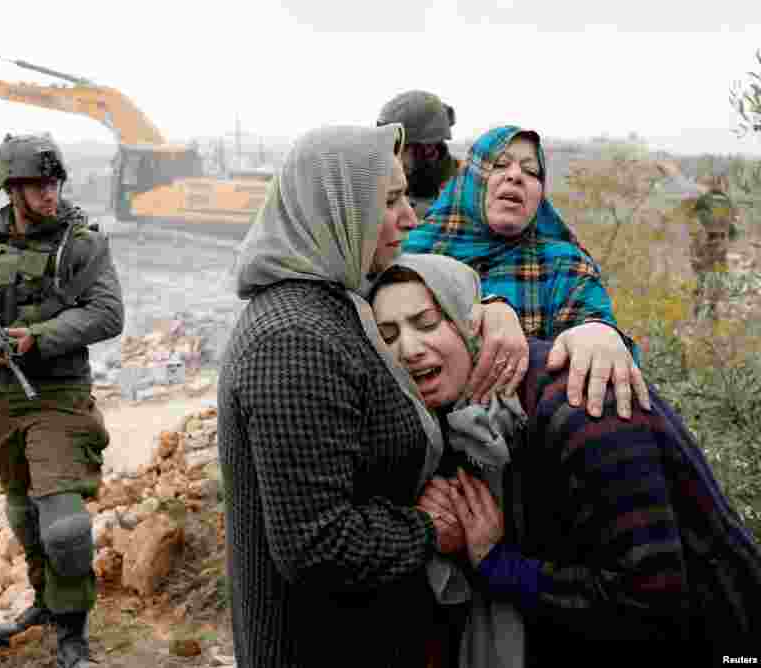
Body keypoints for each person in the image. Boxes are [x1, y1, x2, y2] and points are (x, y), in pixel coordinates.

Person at [368, 253, 761, 666]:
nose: (409, 349)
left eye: (427, 323)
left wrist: (498, 563)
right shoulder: (464, 420)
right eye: (388, 335)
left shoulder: (582, 404)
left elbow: (650, 597)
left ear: (472, 325)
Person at [220, 122, 468, 667]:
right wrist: (432, 529)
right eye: (391, 201)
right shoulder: (294, 339)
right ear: (337, 208)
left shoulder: (332, 306)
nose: (411, 218)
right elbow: (318, 545)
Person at [0, 133, 123, 668]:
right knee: (23, 510)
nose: (50, 195)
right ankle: (46, 603)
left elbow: (107, 314)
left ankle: (74, 632)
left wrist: (39, 336)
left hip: (56, 392)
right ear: (13, 188)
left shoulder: (79, 243)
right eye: (38, 185)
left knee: (65, 524)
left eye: (54, 183)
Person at [403, 125, 650, 419]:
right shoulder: (413, 254)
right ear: (470, 180)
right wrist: (485, 307)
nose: (516, 175)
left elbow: (593, 322)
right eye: (499, 165)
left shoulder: (562, 264)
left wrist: (599, 333)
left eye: (531, 172)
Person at [376, 89, 463, 217]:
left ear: (428, 149)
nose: (392, 157)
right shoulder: (378, 182)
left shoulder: (466, 186)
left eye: (399, 148)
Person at [689, 174, 739, 318]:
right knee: (717, 276)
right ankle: (712, 308)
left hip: (706, 244)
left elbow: (694, 220)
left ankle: (698, 308)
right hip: (721, 245)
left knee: (702, 277)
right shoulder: (728, 201)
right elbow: (733, 227)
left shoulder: (703, 200)